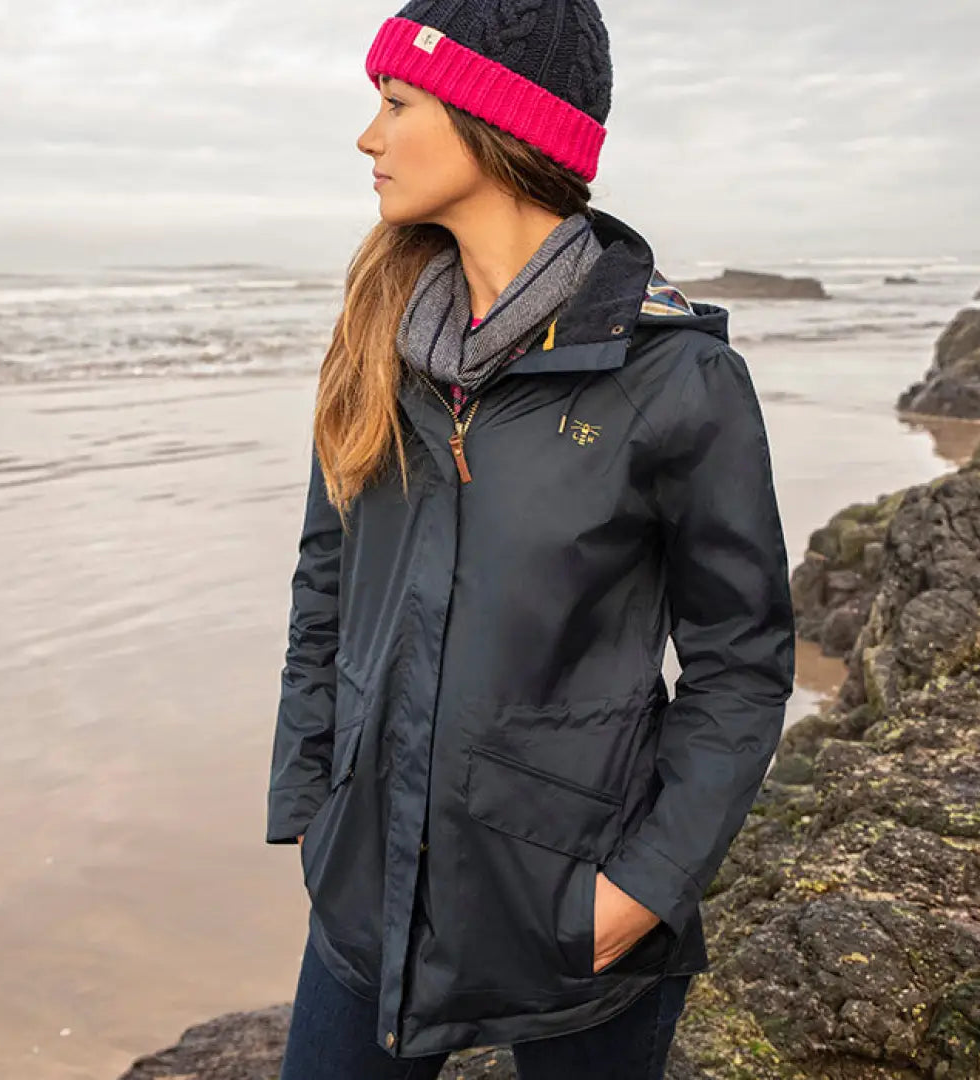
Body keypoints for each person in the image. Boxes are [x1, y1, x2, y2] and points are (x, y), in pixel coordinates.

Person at [266, 1, 796, 1077]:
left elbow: (741, 665)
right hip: (367, 888)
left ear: (500, 125)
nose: (368, 135)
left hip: (579, 909)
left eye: (397, 101)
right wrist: (315, 802)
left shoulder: (676, 378)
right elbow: (327, 586)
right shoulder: (377, 340)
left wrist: (641, 890)